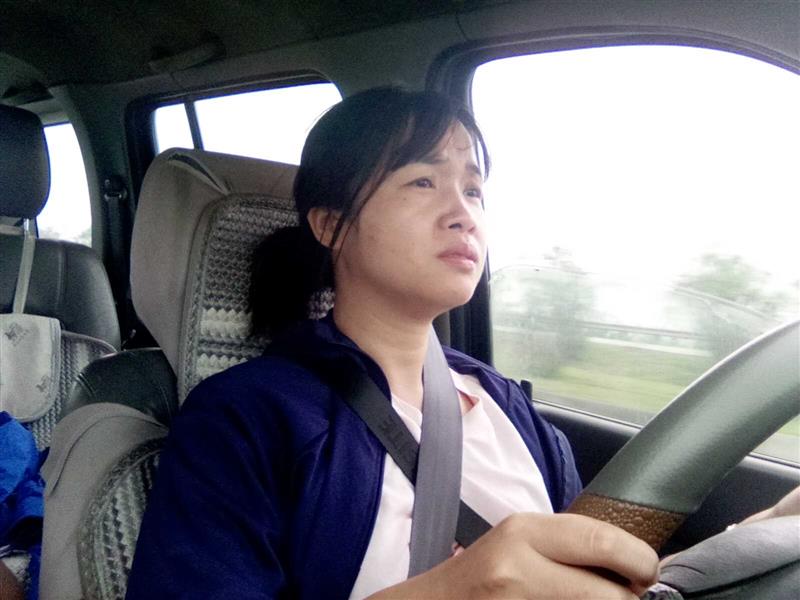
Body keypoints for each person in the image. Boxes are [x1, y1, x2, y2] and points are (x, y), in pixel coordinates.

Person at [127, 87, 662, 599]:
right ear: (331, 224)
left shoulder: (508, 406)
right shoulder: (245, 419)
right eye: (423, 182)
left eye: (473, 191)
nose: (464, 215)